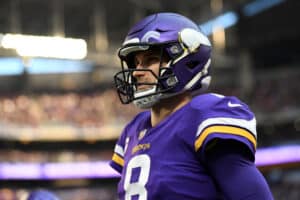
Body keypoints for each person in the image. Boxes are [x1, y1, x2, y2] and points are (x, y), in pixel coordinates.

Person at [110, 12, 273, 200]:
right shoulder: (133, 131)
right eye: (136, 63)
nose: (137, 72)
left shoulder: (202, 117)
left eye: (151, 60)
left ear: (187, 61)